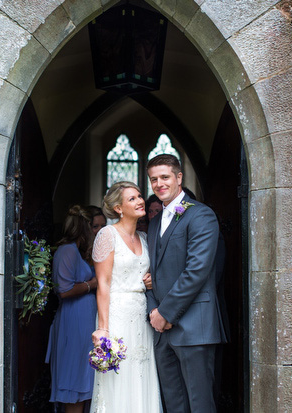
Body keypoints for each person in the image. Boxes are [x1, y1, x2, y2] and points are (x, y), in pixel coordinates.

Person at [146, 154, 225, 412]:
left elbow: (197, 270)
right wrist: (153, 312)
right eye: (154, 179)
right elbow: (152, 274)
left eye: (165, 177)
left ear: (179, 178)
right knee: (175, 405)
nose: (159, 184)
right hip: (162, 331)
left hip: (194, 328)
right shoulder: (155, 221)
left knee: (200, 404)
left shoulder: (201, 215)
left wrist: (165, 313)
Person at [90, 181, 162, 413]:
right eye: (132, 199)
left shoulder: (145, 237)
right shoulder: (107, 234)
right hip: (117, 315)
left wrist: (152, 280)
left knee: (142, 374)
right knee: (119, 378)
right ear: (119, 208)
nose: (140, 201)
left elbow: (149, 273)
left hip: (142, 315)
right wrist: (103, 328)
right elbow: (103, 283)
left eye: (140, 196)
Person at [45, 205, 99, 413]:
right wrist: (91, 285)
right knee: (74, 381)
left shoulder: (80, 251)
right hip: (73, 322)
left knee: (85, 380)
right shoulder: (66, 250)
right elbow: (64, 290)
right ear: (83, 228)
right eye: (92, 227)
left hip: (84, 322)